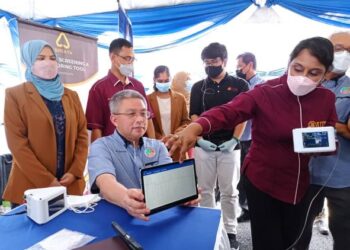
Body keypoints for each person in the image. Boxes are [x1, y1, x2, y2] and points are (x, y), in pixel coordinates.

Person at [164, 37, 337, 250]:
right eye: (298, 68)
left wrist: (317, 143)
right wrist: (195, 127)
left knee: (297, 241)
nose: (302, 78)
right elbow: (229, 111)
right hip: (263, 180)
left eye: (313, 73)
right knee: (268, 242)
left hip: (302, 184)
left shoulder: (326, 98)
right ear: (289, 62)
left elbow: (328, 135)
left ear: (326, 73)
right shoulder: (266, 92)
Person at [3, 40, 88, 206]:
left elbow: (82, 135)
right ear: (29, 62)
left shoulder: (71, 96)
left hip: (68, 185)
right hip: (31, 187)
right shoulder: (15, 95)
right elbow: (17, 145)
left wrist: (75, 172)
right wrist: (47, 181)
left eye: (52, 57)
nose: (48, 62)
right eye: (40, 58)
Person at [189, 42, 249, 250]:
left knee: (230, 190)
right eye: (206, 62)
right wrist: (199, 139)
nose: (209, 65)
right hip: (204, 145)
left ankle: (230, 231)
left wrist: (234, 140)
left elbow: (243, 116)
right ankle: (207, 227)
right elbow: (194, 116)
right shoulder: (198, 87)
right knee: (205, 189)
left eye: (213, 61)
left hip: (230, 146)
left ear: (224, 60)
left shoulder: (240, 85)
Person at [87, 89, 173, 220]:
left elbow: (168, 180)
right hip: (116, 219)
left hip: (157, 217)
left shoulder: (158, 146)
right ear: (114, 120)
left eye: (143, 114)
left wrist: (183, 194)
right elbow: (105, 182)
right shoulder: (101, 147)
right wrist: (125, 198)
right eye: (131, 114)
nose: (139, 119)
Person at [299, 31, 350, 250]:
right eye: (339, 49)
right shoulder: (304, 82)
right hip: (303, 172)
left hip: (341, 176)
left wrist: (330, 126)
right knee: (297, 231)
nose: (344, 55)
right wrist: (337, 126)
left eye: (349, 51)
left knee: (344, 233)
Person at [86, 38, 155, 143]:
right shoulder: (98, 88)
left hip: (140, 150)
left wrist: (153, 147)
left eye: (132, 59)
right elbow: (96, 127)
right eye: (127, 58)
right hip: (112, 152)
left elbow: (148, 119)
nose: (130, 63)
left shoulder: (138, 86)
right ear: (113, 57)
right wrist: (99, 154)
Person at [235, 52, 265, 223]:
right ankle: (243, 207)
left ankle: (254, 209)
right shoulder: (238, 85)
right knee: (239, 175)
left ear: (250, 64)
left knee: (253, 175)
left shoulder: (261, 86)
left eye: (240, 66)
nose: (237, 69)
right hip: (240, 136)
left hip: (254, 137)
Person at [147, 66, 190, 161]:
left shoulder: (180, 98)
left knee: (180, 172)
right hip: (156, 144)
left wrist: (175, 135)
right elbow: (147, 124)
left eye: (166, 81)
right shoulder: (147, 99)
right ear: (154, 80)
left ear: (170, 79)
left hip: (177, 143)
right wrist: (161, 138)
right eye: (160, 81)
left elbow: (186, 121)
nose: (163, 83)